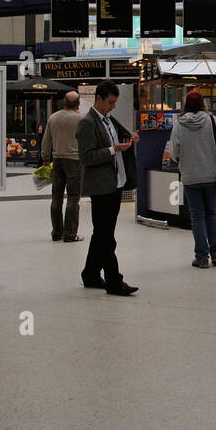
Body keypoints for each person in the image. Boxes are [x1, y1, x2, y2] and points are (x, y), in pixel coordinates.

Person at [77, 81, 139, 295]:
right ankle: (114, 281)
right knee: (106, 236)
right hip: (101, 187)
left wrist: (129, 141)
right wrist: (113, 150)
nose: (113, 106)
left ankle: (90, 274)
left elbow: (119, 141)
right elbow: (86, 157)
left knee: (102, 233)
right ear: (99, 99)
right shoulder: (87, 123)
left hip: (115, 184)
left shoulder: (109, 121)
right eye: (110, 102)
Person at [168, 89, 216, 268]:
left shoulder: (179, 123)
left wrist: (182, 161)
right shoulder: (212, 120)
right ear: (203, 103)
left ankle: (202, 257)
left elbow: (174, 152)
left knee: (197, 216)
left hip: (190, 176)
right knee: (211, 213)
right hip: (212, 174)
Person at [40, 91, 85, 243]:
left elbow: (46, 140)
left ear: (64, 102)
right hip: (74, 161)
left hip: (57, 160)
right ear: (78, 103)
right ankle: (70, 234)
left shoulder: (53, 117)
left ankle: (56, 232)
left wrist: (45, 159)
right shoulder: (81, 118)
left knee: (56, 197)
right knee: (73, 197)